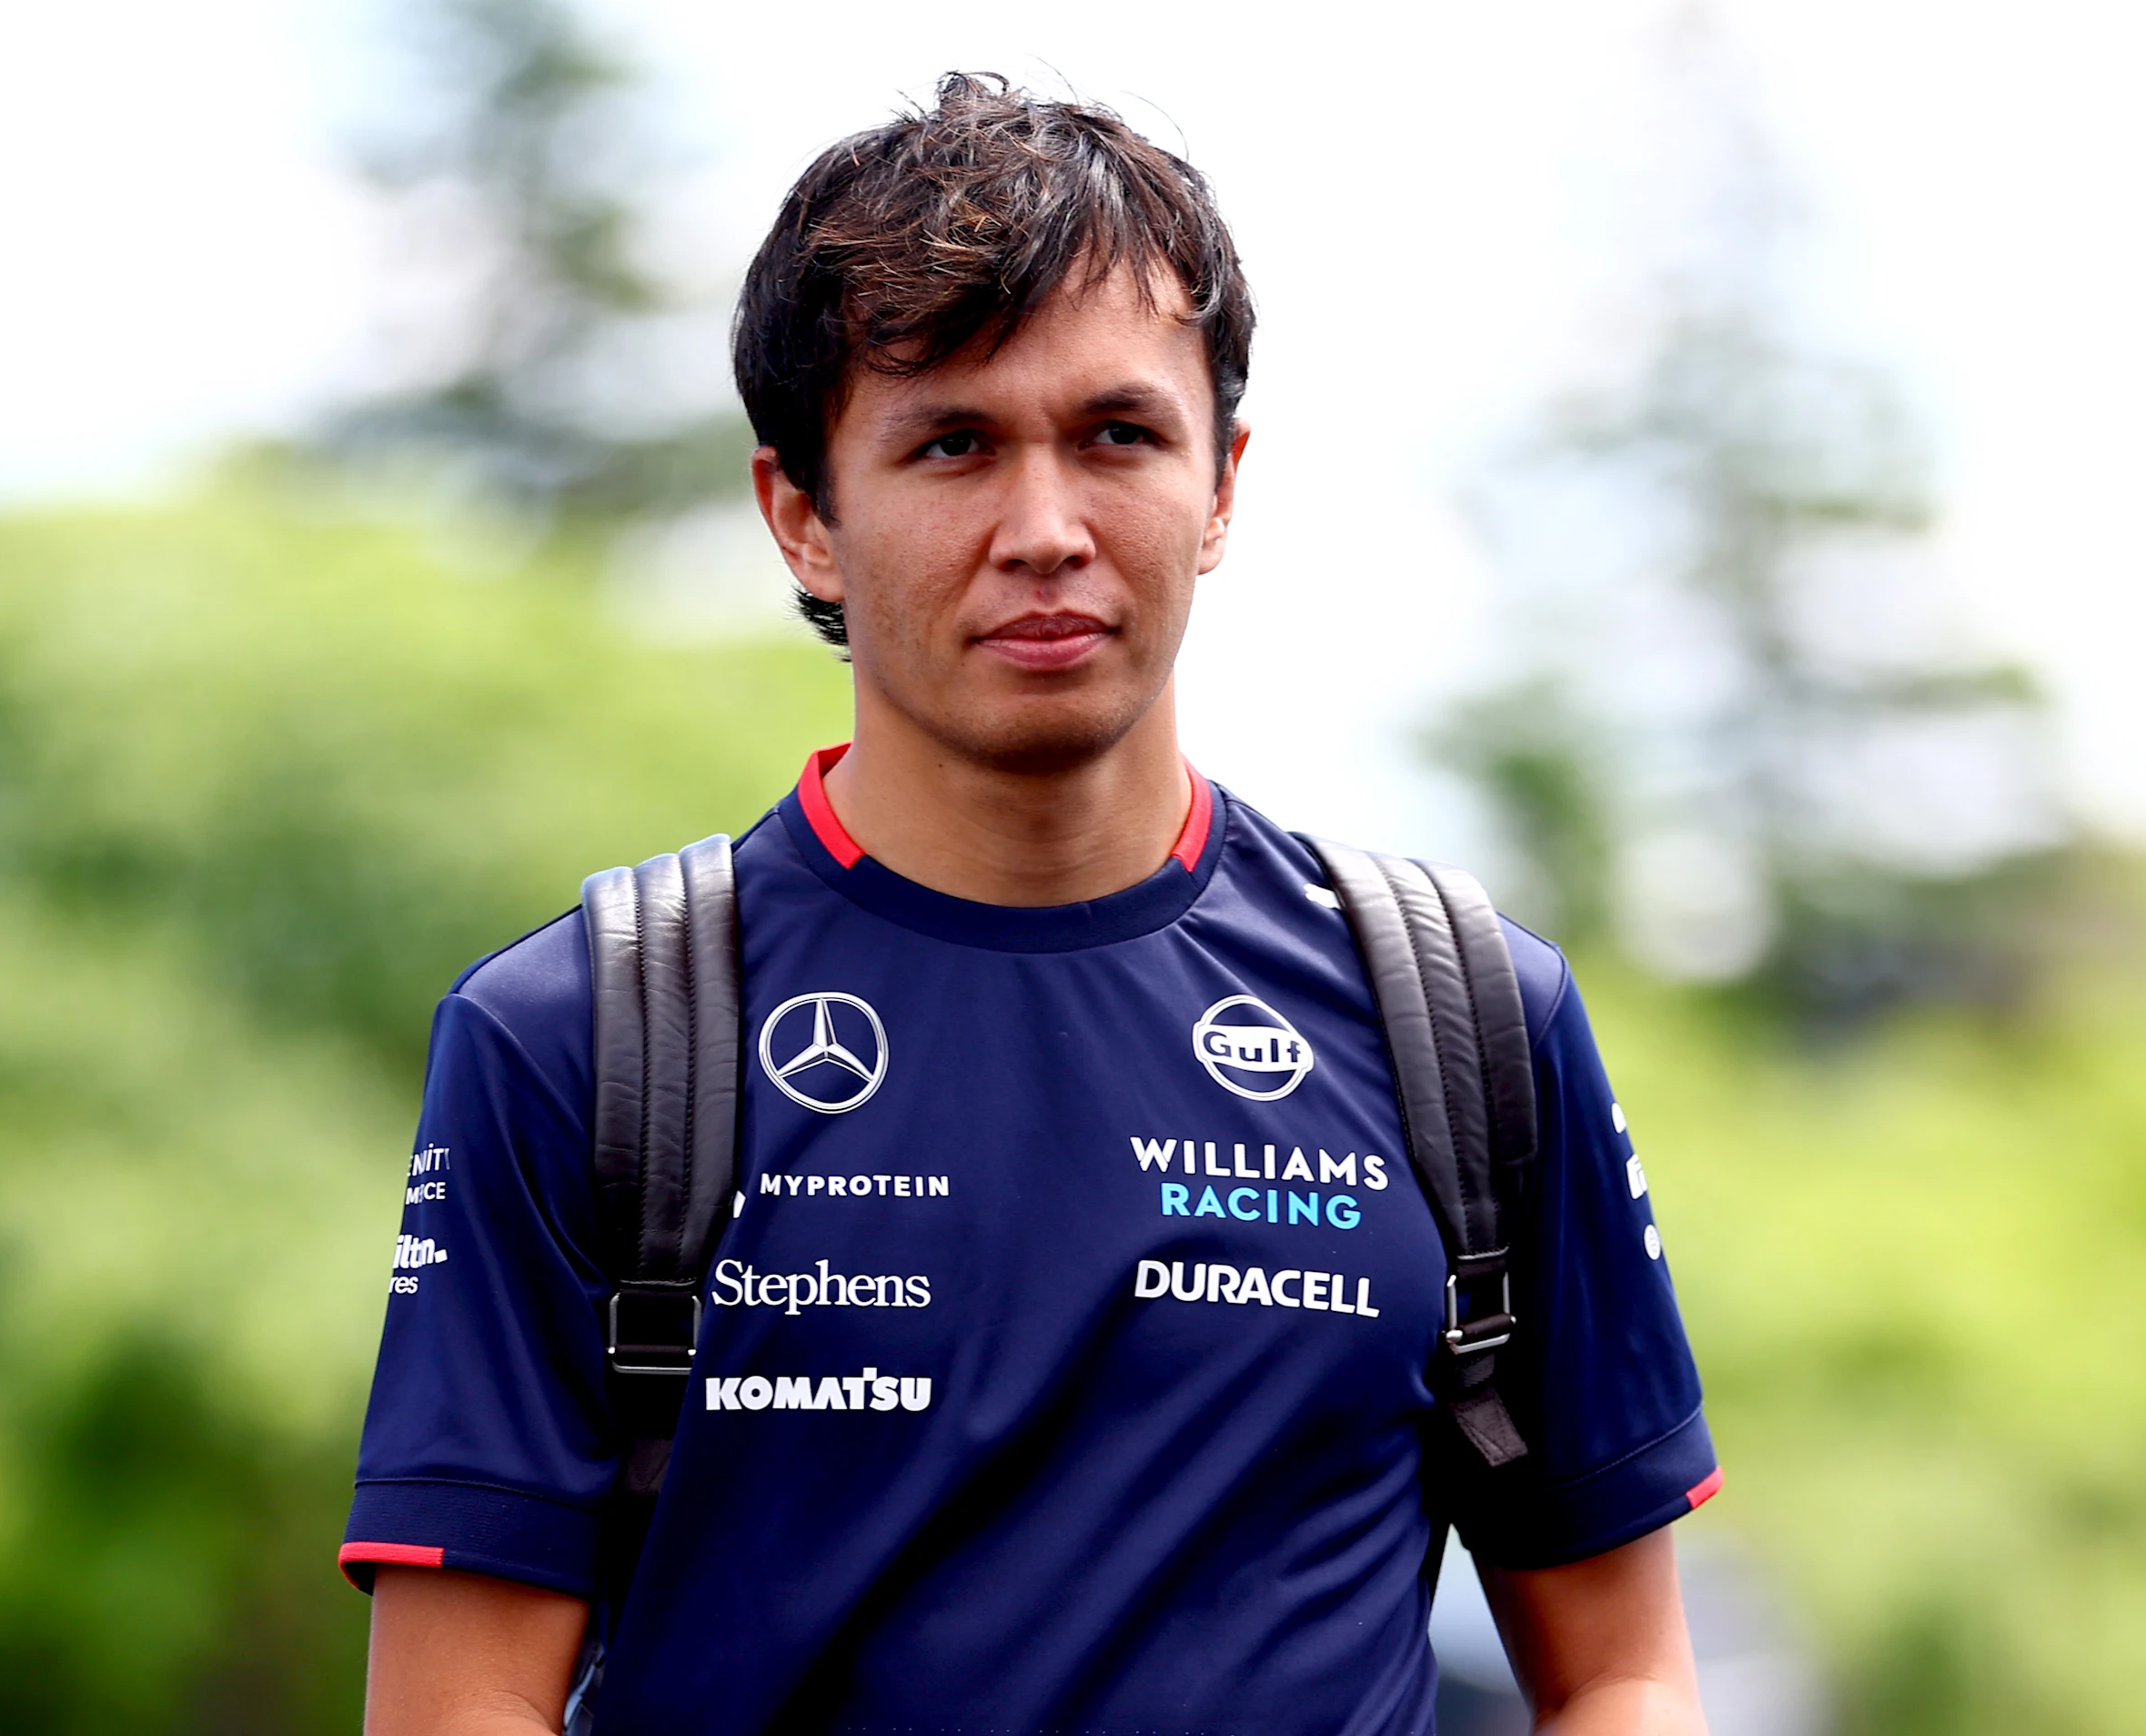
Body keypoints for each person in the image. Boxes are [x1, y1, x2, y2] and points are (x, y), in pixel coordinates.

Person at [342, 73, 1719, 1735]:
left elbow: (1625, 1673)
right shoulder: (583, 1041)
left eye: (1119, 435)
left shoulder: (1464, 1019)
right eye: (952, 444)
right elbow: (460, 1705)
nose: (1047, 529)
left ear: (1220, 485)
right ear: (804, 518)